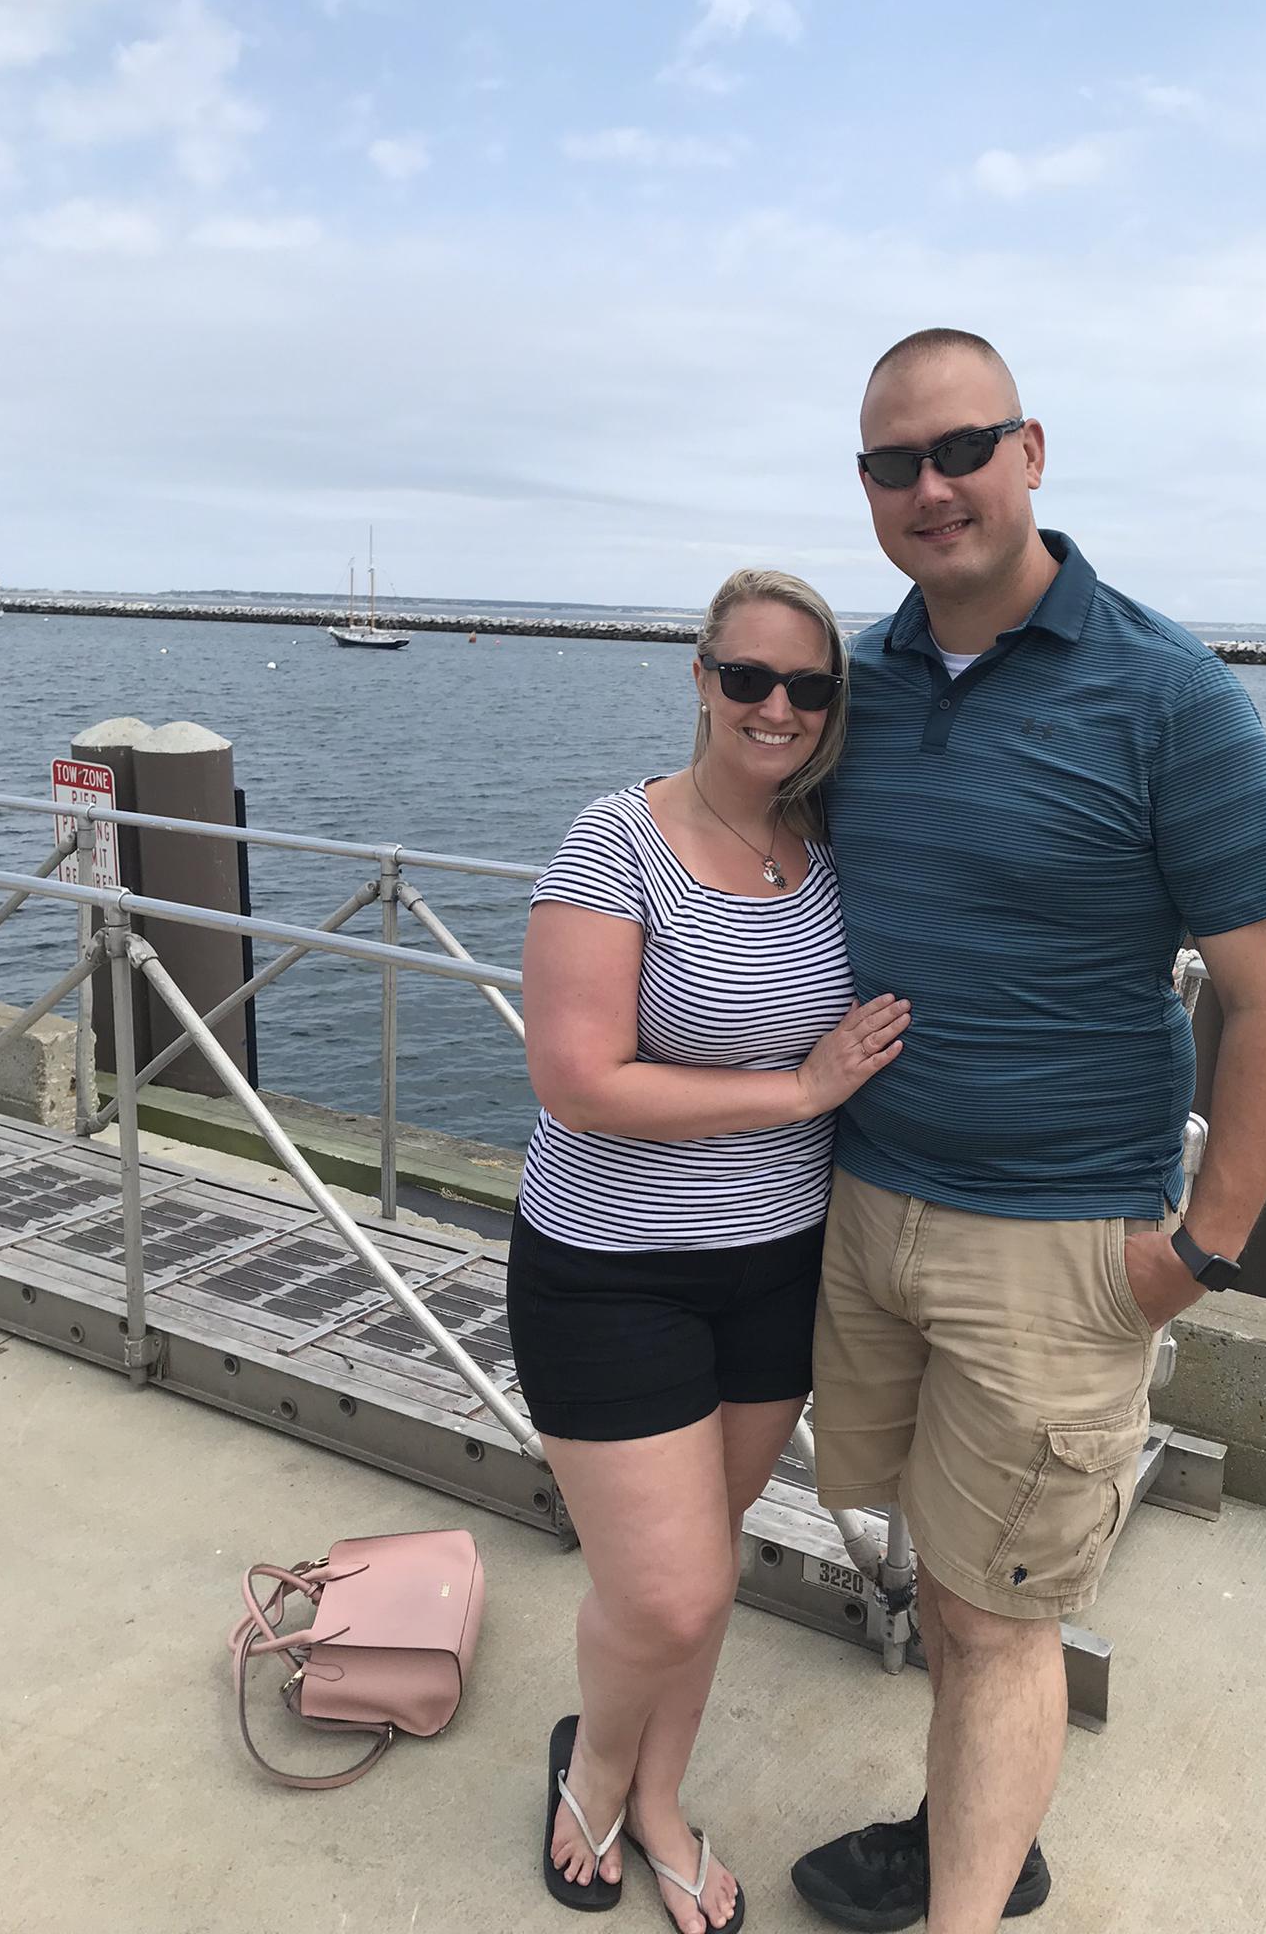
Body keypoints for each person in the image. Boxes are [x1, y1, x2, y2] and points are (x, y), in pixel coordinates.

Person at [790, 330, 1266, 1934]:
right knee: (938, 1575)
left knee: (998, 1616)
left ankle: (967, 1899)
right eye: (895, 463)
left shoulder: (1169, 695)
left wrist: (1198, 1255)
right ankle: (973, 1829)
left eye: (963, 448)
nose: (932, 486)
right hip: (867, 1207)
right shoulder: (859, 685)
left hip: (1060, 1241)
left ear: (1031, 451)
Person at [508, 567, 911, 1934]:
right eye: (748, 677)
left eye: (809, 686)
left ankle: (661, 1797)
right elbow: (577, 1081)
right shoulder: (615, 846)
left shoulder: (828, 845)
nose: (777, 707)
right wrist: (796, 1093)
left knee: (709, 1561)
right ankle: (594, 1770)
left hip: (777, 1266)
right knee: (667, 1593)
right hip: (610, 1268)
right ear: (700, 679)